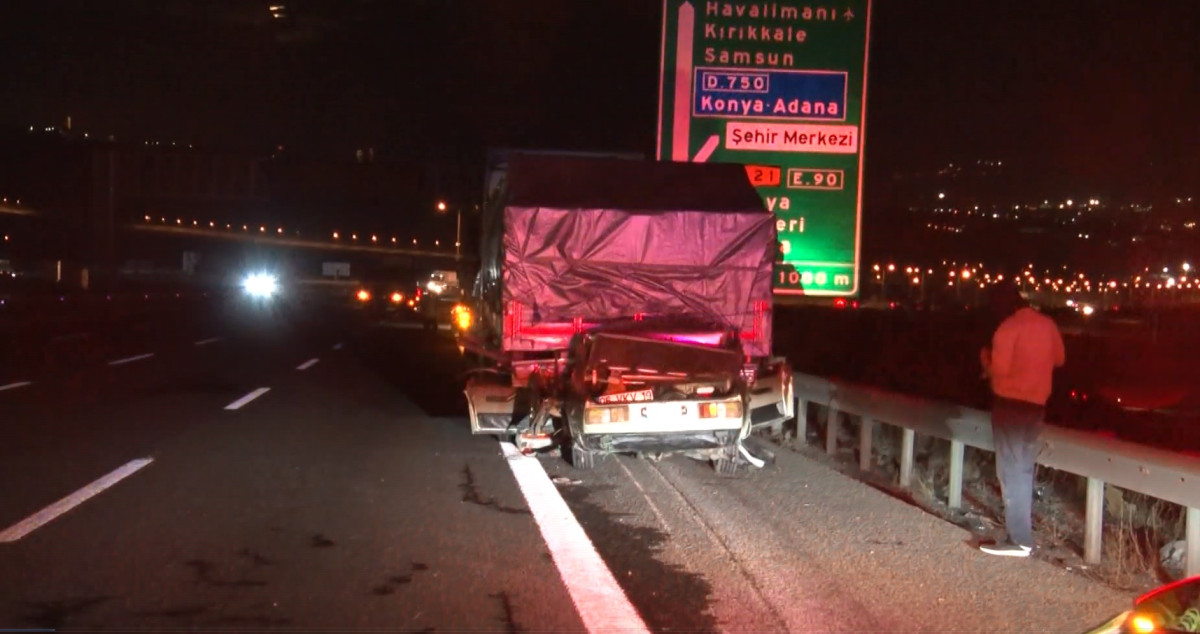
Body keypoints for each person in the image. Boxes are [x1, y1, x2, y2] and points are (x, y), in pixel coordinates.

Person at [978, 281, 1065, 557]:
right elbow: (1060, 359)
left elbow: (1000, 371)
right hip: (1037, 407)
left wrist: (986, 362)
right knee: (1024, 470)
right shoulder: (1047, 324)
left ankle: (1019, 541)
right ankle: (1021, 535)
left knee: (1011, 471)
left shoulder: (1007, 328)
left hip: (1010, 406)